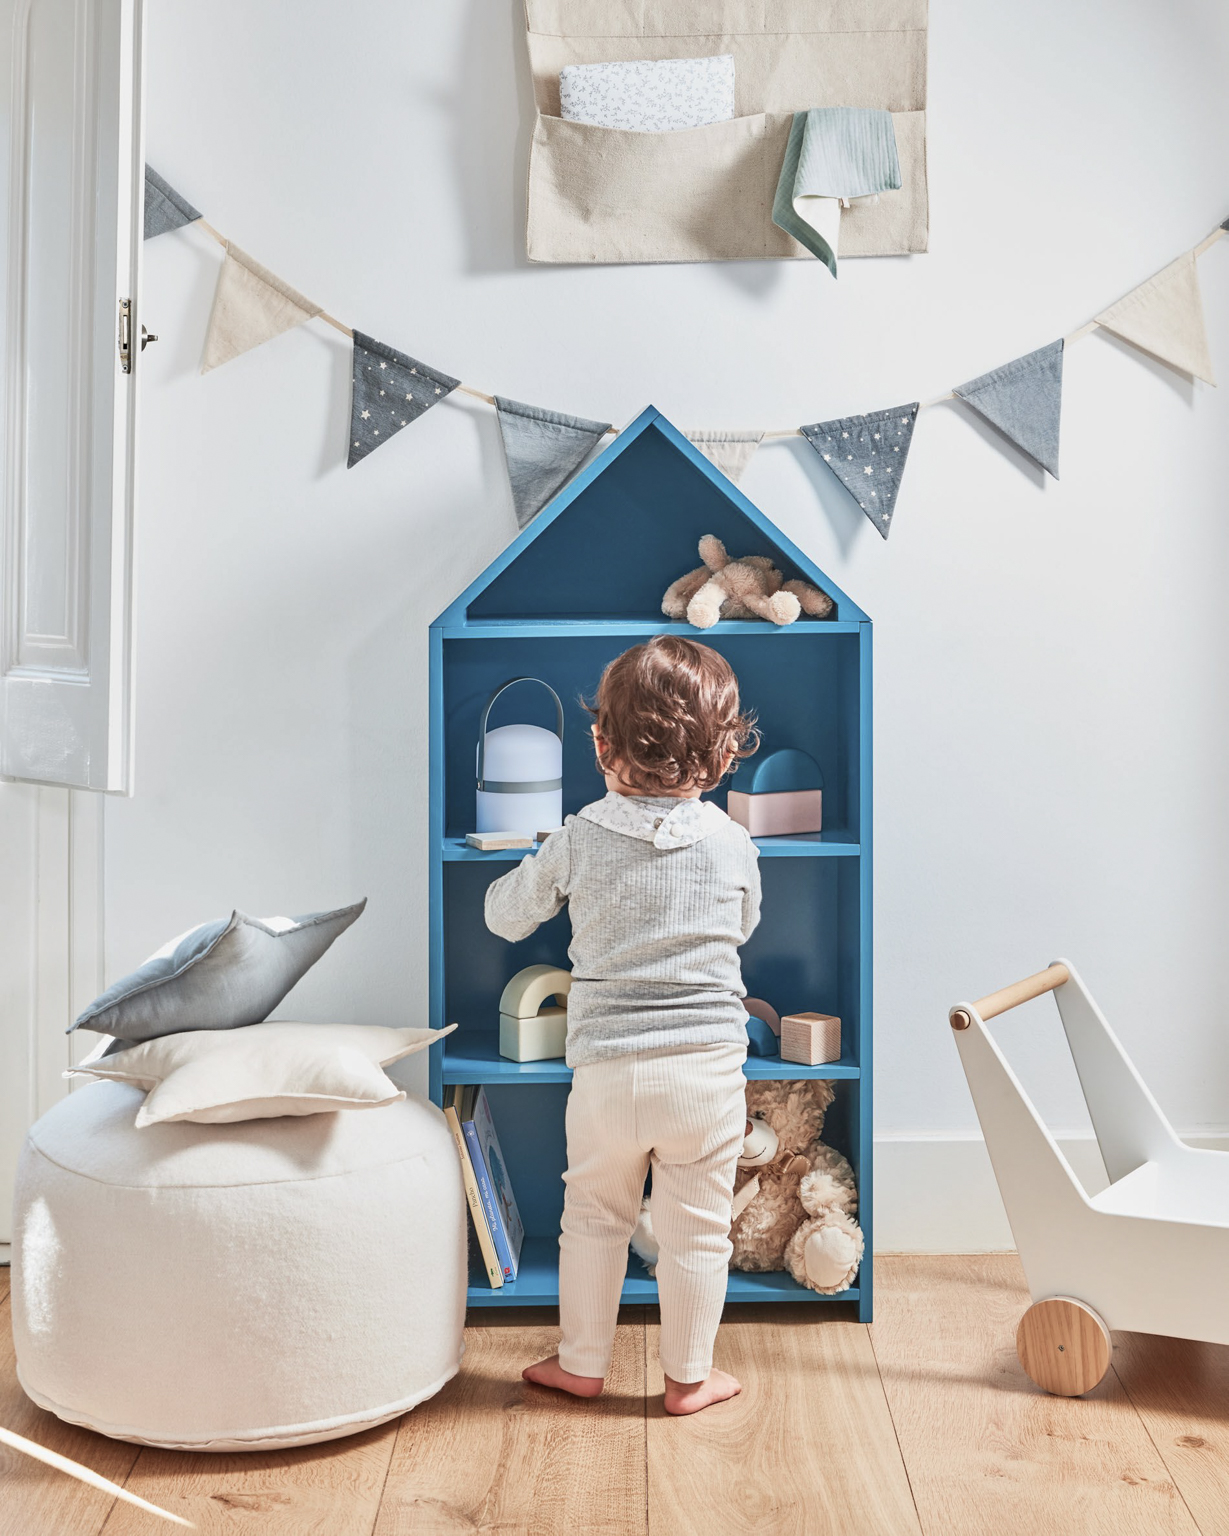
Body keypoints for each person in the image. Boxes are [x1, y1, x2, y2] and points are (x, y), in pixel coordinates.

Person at [484, 635, 761, 1415]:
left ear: (599, 744)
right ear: (722, 755)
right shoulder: (734, 841)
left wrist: (543, 863)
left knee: (593, 1218)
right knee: (699, 1231)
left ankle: (581, 1363)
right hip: (706, 1070)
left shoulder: (579, 835)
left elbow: (504, 918)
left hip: (607, 1069)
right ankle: (688, 1378)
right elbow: (742, 925)